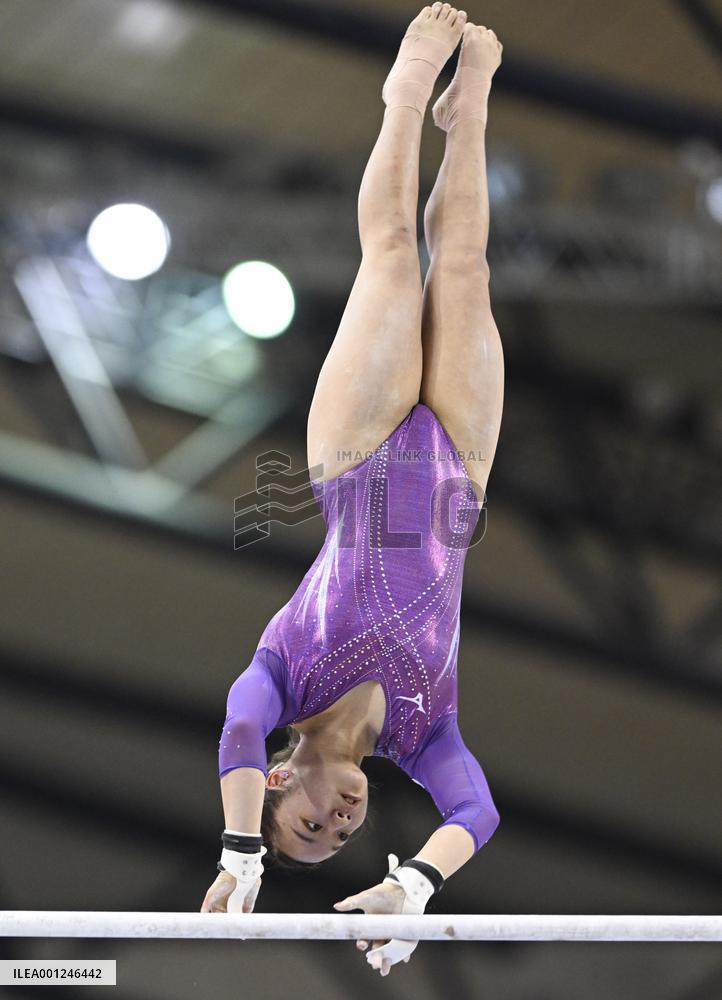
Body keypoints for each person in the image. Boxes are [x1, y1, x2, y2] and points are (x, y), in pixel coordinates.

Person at [201, 4, 504, 977]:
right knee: (464, 267)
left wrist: (241, 852)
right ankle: (469, 109)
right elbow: (475, 811)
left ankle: (404, 94)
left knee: (393, 255)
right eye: (339, 841)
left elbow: (237, 728)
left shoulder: (281, 680)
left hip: (358, 457)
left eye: (307, 824)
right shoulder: (423, 732)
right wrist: (414, 884)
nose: (336, 824)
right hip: (458, 469)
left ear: (276, 780)